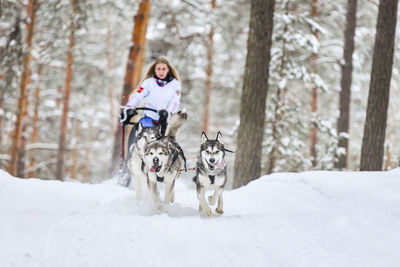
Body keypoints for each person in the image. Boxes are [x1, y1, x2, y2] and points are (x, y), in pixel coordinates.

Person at [121, 57, 182, 137]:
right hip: (149, 118)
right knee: (141, 132)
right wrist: (129, 107)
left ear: (168, 70)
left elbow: (175, 102)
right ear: (155, 70)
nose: (161, 71)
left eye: (164, 69)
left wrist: (168, 112)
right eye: (158, 69)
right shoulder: (149, 82)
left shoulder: (175, 84)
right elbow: (138, 96)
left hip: (166, 120)